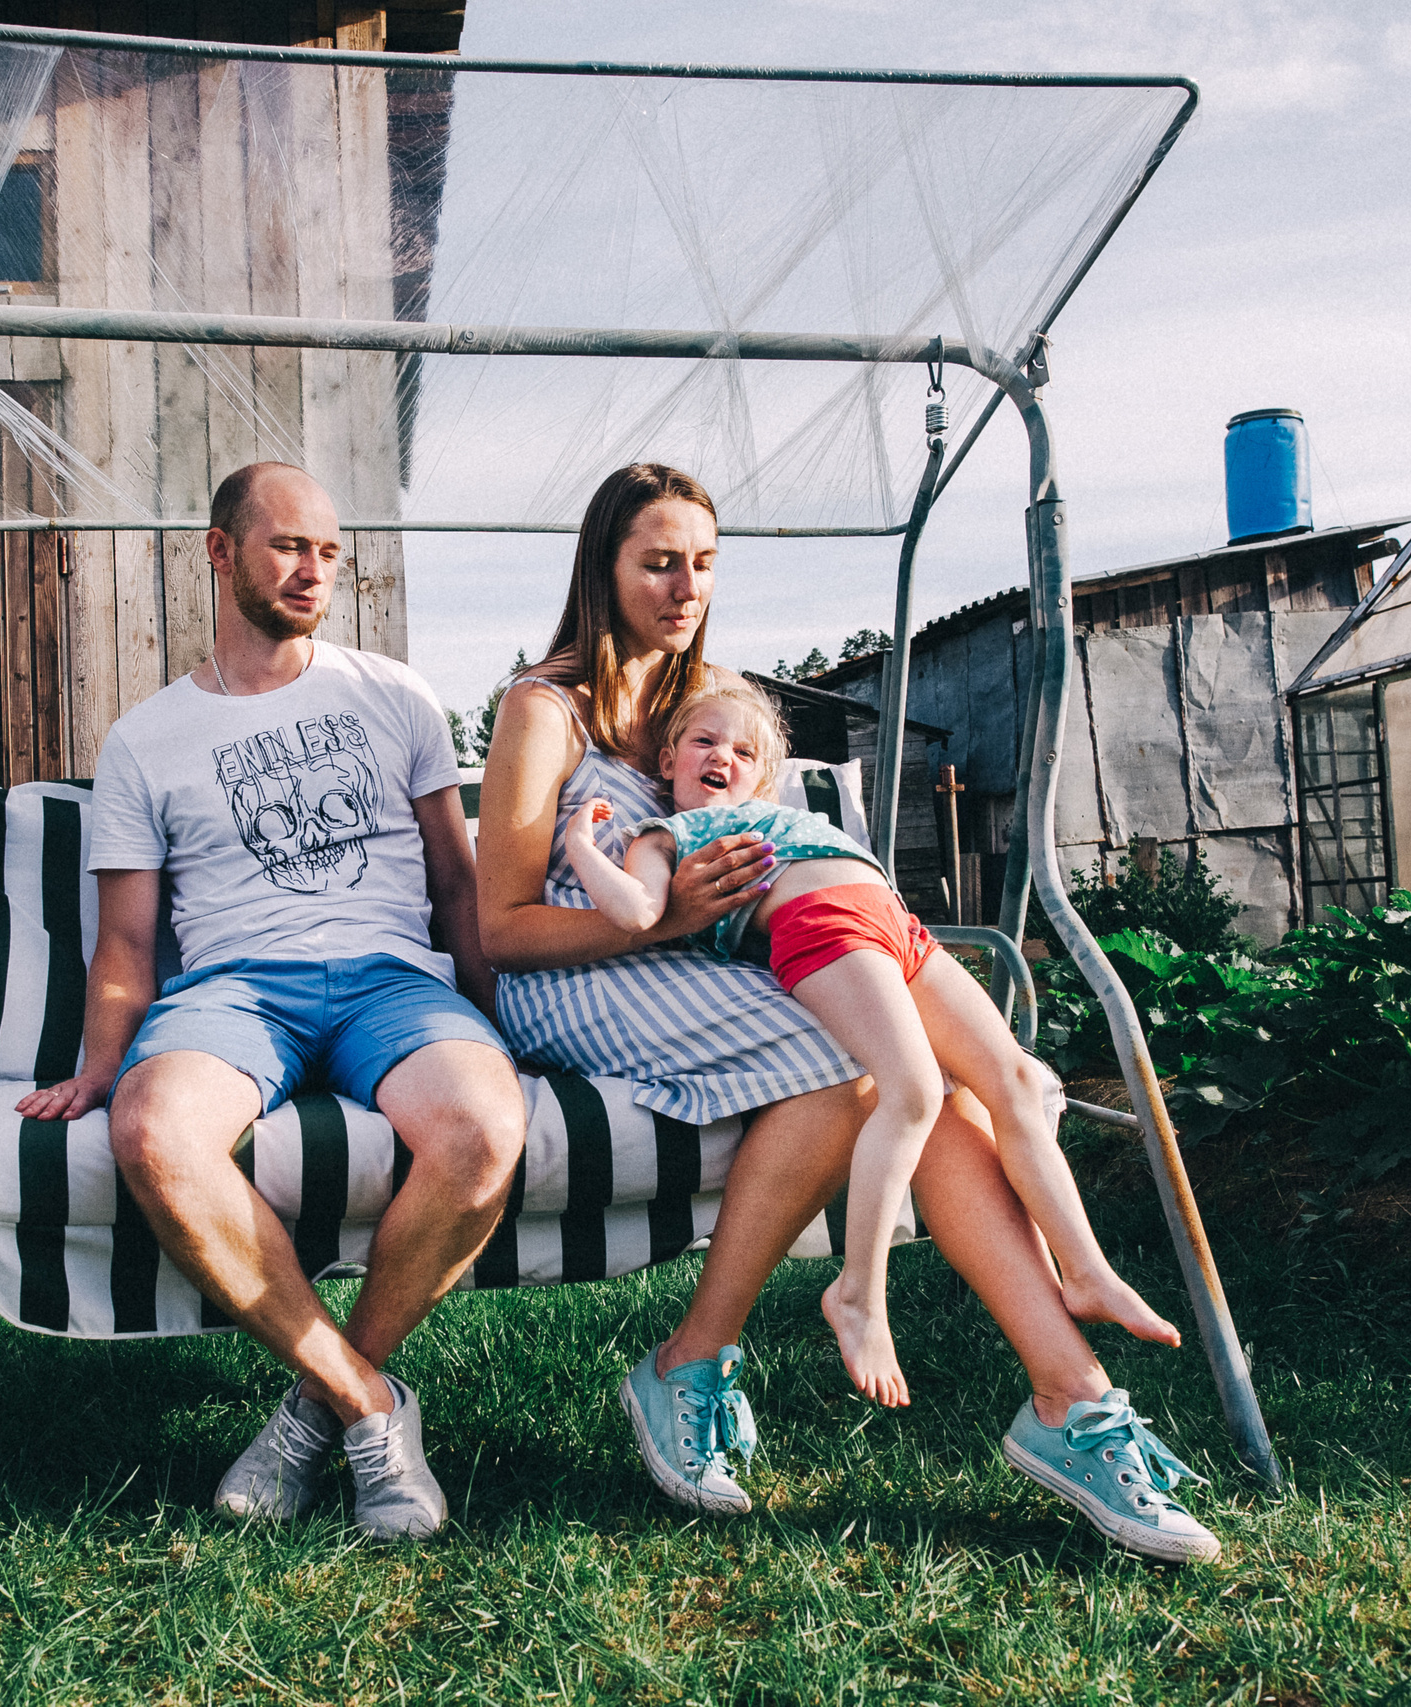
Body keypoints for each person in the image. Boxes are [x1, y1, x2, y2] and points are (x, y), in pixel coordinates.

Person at [476, 462, 1220, 1564]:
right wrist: (667, 920)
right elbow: (499, 929)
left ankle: (1071, 1396)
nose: (685, 588)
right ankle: (694, 1357)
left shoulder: (707, 702)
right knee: (864, 1065)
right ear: (603, 566)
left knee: (931, 1070)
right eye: (657, 562)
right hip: (580, 974)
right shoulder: (545, 710)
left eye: (702, 564)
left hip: (708, 965)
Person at [15, 462, 526, 1543]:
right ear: (218, 549)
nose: (313, 570)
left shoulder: (395, 696)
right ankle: (372, 1408)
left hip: (393, 984)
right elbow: (126, 941)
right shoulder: (145, 739)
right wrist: (102, 1068)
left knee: (483, 1127)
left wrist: (502, 1023)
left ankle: (309, 1415)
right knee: (152, 1133)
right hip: (235, 995)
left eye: (328, 552)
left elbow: (455, 884)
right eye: (289, 545)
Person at [561, 674, 1178, 1409]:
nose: (722, 755)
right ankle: (859, 1293)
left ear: (767, 777)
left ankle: (1084, 1269)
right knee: (912, 1089)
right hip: (821, 929)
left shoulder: (773, 816)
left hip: (895, 923)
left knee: (1012, 1076)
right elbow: (636, 909)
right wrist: (582, 844)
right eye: (704, 740)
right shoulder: (666, 836)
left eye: (744, 750)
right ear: (668, 761)